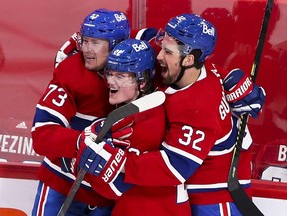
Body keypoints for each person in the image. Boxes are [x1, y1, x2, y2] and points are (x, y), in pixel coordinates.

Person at [81, 14, 266, 215]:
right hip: (190, 191)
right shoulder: (191, 67)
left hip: (216, 197)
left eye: (167, 52)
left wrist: (120, 162)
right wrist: (75, 45)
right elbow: (130, 38)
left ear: (188, 59)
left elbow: (172, 167)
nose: (159, 56)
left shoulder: (199, 107)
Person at [31, 8, 130, 216]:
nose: (86, 49)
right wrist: (80, 142)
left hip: (103, 192)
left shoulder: (135, 69)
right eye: (85, 40)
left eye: (95, 43)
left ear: (117, 45)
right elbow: (41, 134)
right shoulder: (71, 72)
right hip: (62, 183)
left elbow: (149, 38)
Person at [75, 38, 191, 216]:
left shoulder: (148, 121)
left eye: (120, 76)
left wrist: (83, 160)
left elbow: (113, 188)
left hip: (155, 210)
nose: (111, 82)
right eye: (110, 73)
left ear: (142, 81)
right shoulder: (141, 106)